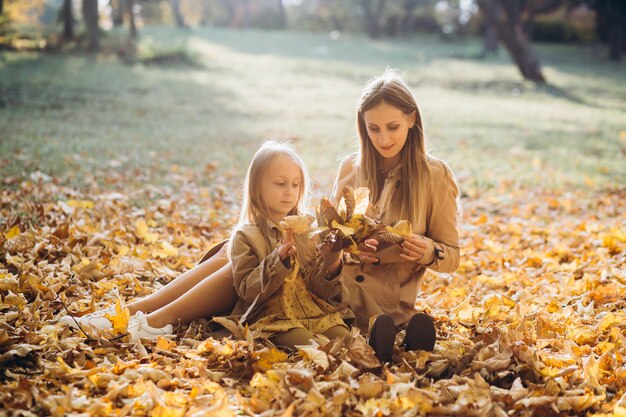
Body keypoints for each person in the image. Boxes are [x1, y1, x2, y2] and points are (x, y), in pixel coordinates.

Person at [329, 68, 461, 361]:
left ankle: (393, 338)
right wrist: (350, 245)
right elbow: (328, 236)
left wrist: (428, 250)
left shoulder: (435, 176)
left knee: (383, 323)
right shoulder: (351, 168)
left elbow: (452, 255)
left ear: (411, 119)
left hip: (390, 297)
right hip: (341, 289)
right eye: (373, 129)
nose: (383, 139)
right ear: (362, 126)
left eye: (392, 127)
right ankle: (376, 341)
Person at [226, 141, 349, 350]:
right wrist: (278, 260)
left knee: (345, 338)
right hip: (275, 319)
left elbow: (321, 290)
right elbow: (247, 290)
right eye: (280, 183)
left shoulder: (309, 231)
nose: (289, 192)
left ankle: (376, 350)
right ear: (257, 186)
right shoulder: (246, 236)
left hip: (315, 312)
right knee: (308, 345)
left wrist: (332, 262)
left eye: (295, 184)